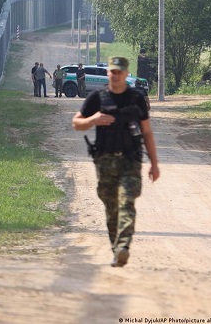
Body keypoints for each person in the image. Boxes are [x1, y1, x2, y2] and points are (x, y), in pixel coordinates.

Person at [72, 56, 160, 267]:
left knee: (126, 201)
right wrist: (93, 120)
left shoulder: (136, 99)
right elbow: (76, 123)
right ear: (109, 73)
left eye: (120, 71)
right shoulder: (97, 97)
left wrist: (154, 163)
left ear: (126, 73)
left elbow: (147, 132)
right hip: (105, 161)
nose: (116, 75)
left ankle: (124, 246)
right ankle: (116, 250)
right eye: (113, 71)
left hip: (131, 160)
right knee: (111, 208)